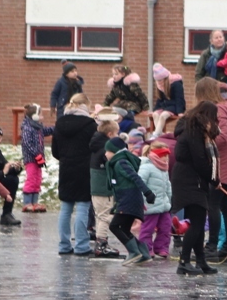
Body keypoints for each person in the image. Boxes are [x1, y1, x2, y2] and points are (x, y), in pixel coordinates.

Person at [194, 77, 227, 261]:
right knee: (225, 205)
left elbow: (222, 136)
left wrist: (205, 144)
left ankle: (212, 247)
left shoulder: (219, 107)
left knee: (214, 205)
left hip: (224, 161)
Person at [170, 102, 221, 275]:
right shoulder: (194, 133)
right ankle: (184, 261)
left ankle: (200, 261)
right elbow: (200, 161)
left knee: (197, 222)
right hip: (190, 181)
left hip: (193, 180)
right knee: (197, 223)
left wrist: (212, 179)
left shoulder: (194, 131)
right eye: (214, 117)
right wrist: (214, 180)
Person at [51, 93, 97, 256]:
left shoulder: (59, 123)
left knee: (66, 208)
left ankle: (64, 245)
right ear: (85, 105)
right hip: (84, 169)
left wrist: (66, 158)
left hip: (66, 168)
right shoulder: (90, 125)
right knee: (83, 207)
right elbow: (95, 147)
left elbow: (55, 151)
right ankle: (81, 245)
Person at [105, 136, 157, 265]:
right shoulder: (117, 163)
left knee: (114, 226)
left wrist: (148, 193)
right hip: (128, 200)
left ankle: (134, 252)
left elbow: (135, 178)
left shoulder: (121, 163)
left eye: (107, 151)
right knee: (124, 229)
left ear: (114, 151)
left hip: (129, 200)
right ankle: (144, 253)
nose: (105, 154)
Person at [88, 120, 122, 258]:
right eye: (116, 133)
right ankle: (101, 245)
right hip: (103, 188)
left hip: (97, 187)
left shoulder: (96, 145)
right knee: (105, 216)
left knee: (100, 215)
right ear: (110, 134)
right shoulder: (106, 150)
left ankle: (101, 242)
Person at [138, 145, 174, 259]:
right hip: (150, 204)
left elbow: (168, 185)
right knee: (148, 228)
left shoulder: (164, 168)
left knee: (166, 227)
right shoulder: (146, 167)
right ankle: (145, 248)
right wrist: (141, 200)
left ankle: (162, 248)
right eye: (164, 156)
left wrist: (169, 199)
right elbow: (139, 183)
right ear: (157, 155)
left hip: (164, 205)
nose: (167, 159)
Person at [17, 103, 52, 214]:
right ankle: (27, 203)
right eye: (41, 114)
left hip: (38, 159)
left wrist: (57, 128)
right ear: (35, 116)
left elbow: (46, 131)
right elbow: (27, 143)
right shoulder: (27, 128)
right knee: (31, 179)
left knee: (37, 179)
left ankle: (34, 202)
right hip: (31, 159)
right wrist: (36, 154)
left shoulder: (38, 127)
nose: (42, 116)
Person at [150, 63, 186, 139]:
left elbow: (179, 98)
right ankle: (159, 134)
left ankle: (156, 134)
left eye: (160, 80)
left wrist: (180, 112)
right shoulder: (160, 85)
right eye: (157, 80)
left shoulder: (176, 84)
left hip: (174, 106)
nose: (159, 82)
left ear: (165, 78)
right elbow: (160, 99)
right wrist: (155, 110)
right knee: (155, 115)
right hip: (165, 105)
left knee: (163, 115)